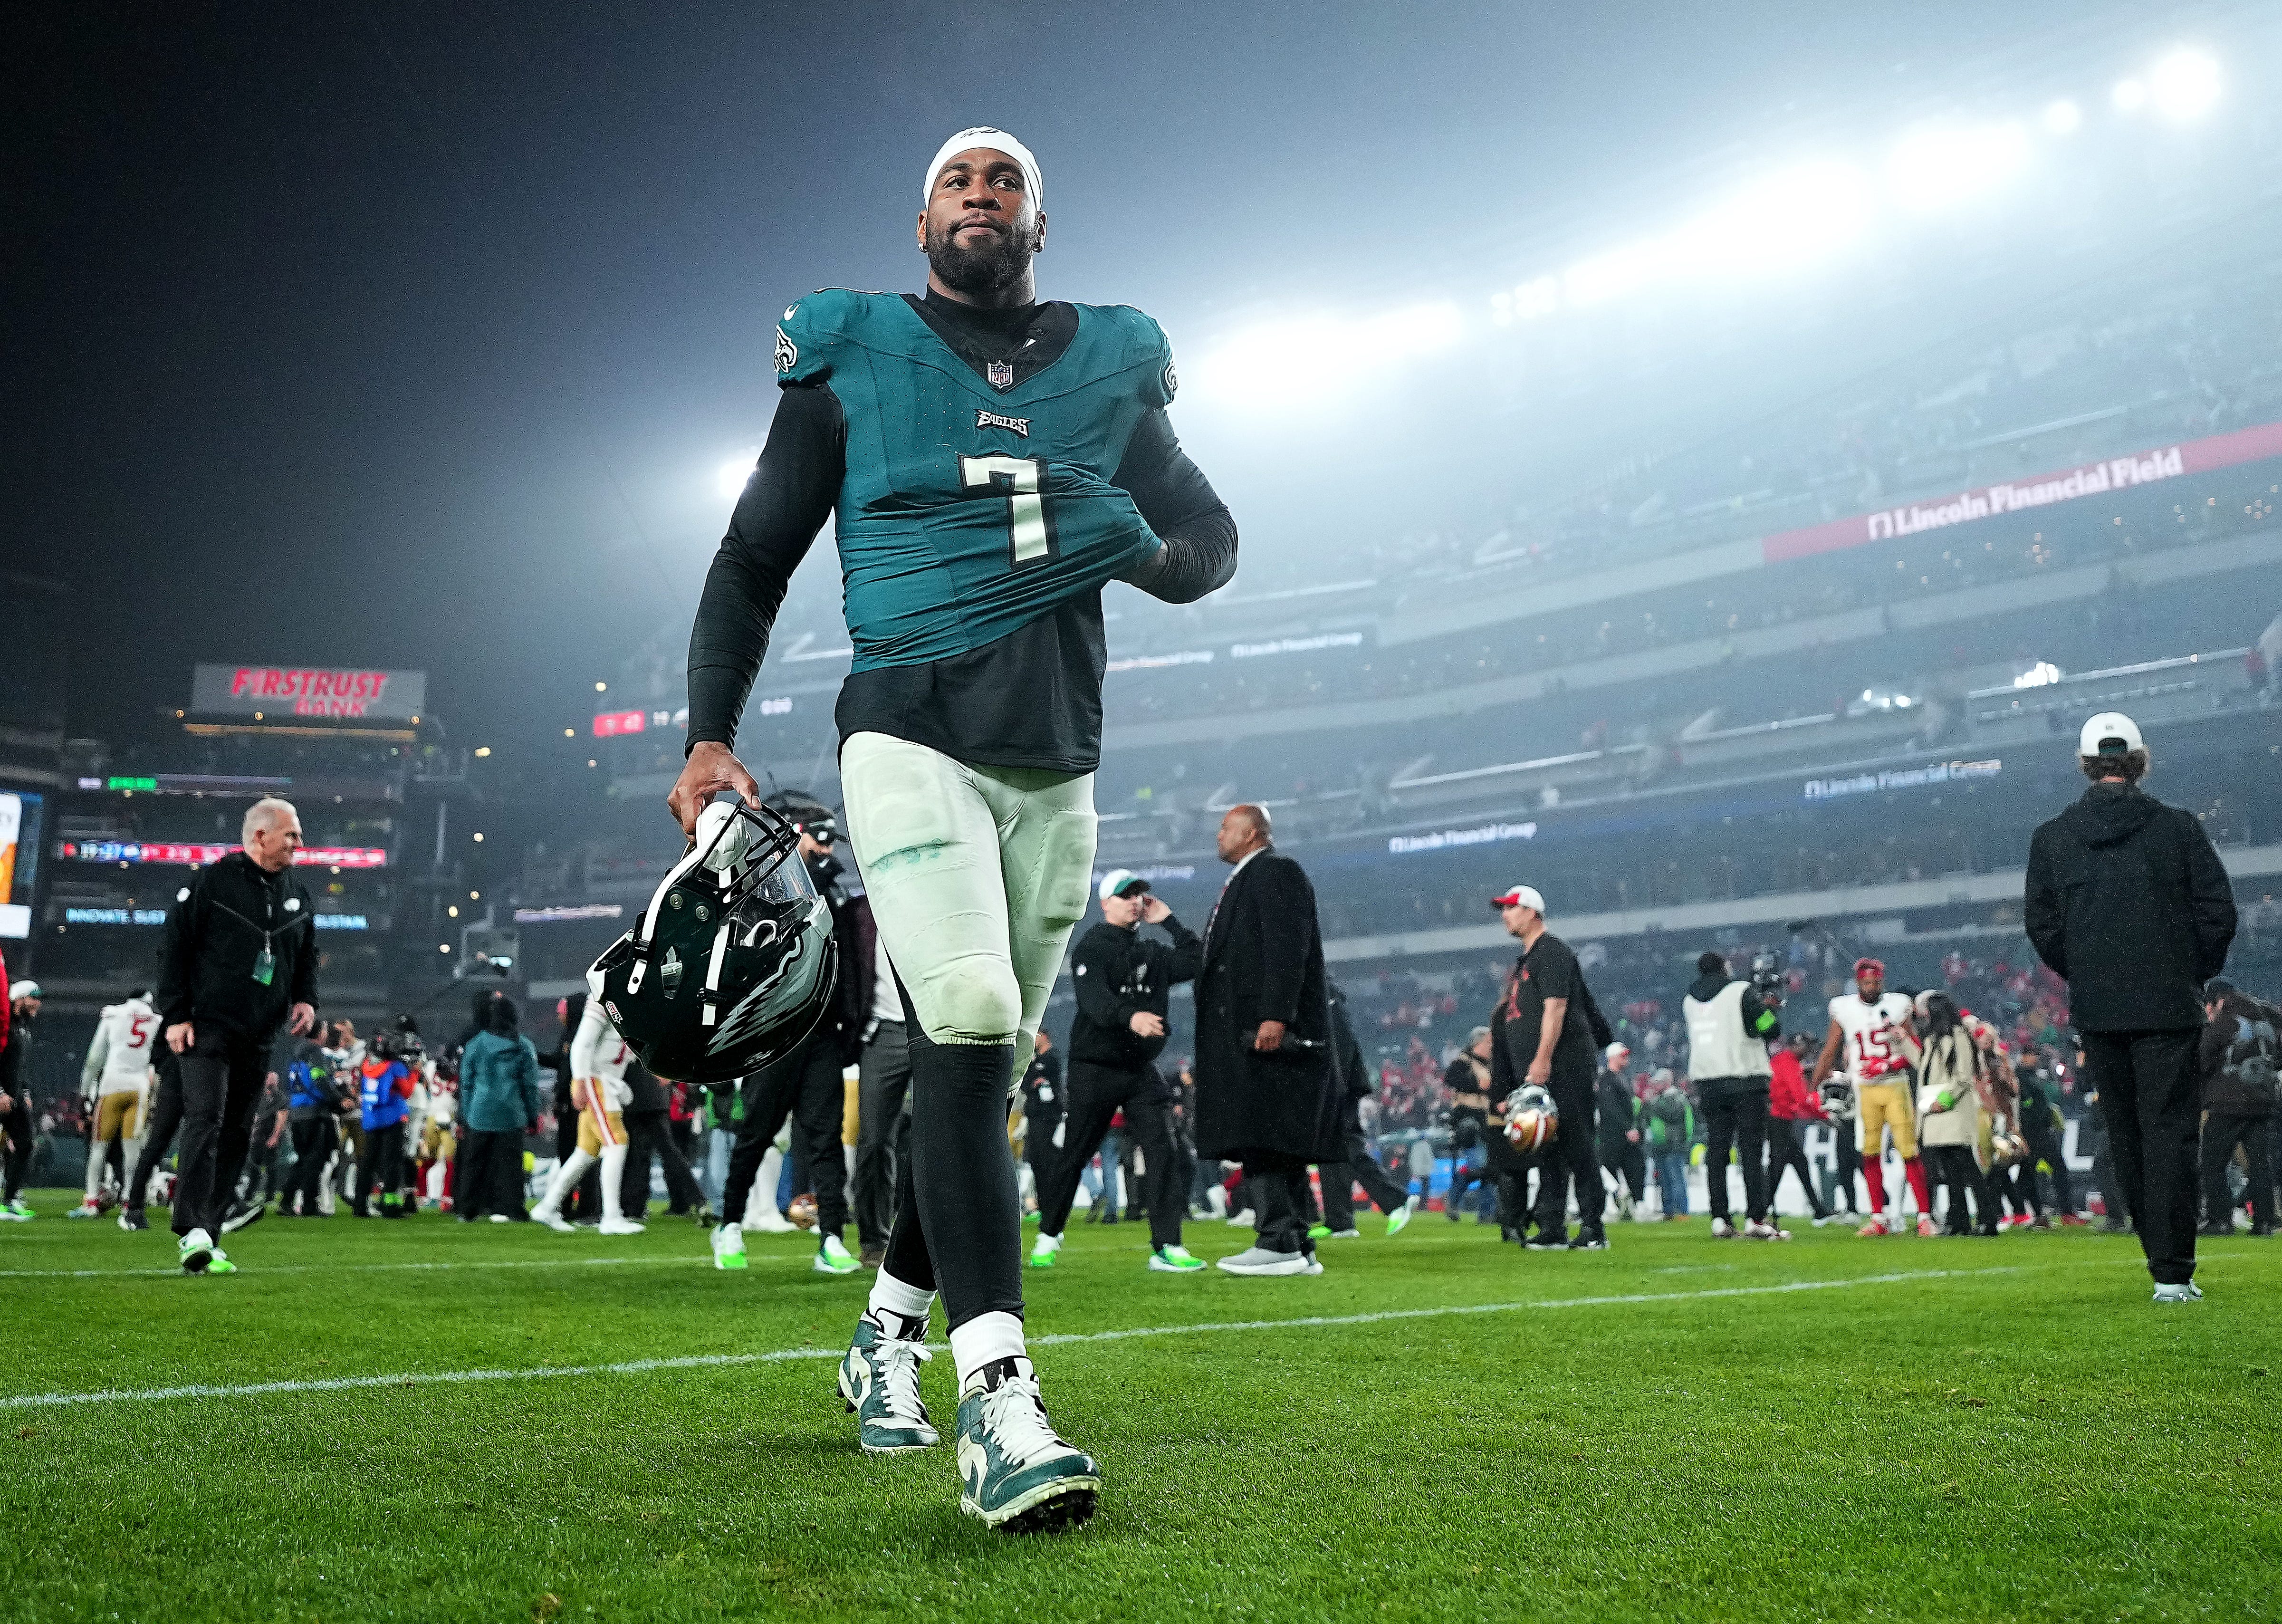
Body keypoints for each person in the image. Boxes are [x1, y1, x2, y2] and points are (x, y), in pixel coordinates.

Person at [666, 127, 1236, 1530]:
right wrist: (707, 728)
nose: (979, 196)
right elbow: (752, 552)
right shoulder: (853, 349)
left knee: (971, 1065)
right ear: (919, 219)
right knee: (971, 1021)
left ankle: (886, 1326)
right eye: (955, 182)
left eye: (1004, 182)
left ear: (1041, 221)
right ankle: (1000, 1401)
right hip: (905, 728)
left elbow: (1209, 537)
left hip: (1055, 754)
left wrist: (1144, 556)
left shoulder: (1109, 362)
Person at [2026, 712, 2237, 1301]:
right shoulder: (2176, 829)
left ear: (2086, 764)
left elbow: (2041, 926)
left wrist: (2089, 972)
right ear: (2138, 761)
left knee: (2126, 1138)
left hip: (2099, 1009)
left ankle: (2158, 1261)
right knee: (2169, 1134)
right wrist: (2182, 971)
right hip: (2167, 1006)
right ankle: (2172, 1273)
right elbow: (2217, 913)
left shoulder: (2052, 838)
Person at [157, 797, 319, 1274]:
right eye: (291, 834)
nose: (299, 843)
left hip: (260, 1030)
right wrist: (176, 1015)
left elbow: (308, 952)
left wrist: (307, 999)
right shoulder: (211, 883)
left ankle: (213, 1230)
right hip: (206, 1025)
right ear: (259, 836)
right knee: (205, 1117)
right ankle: (190, 1229)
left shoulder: (296, 891)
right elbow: (174, 949)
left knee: (237, 1132)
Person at [706, 795, 863, 1276]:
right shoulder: (765, 887)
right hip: (774, 1031)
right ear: (795, 835)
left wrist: (850, 1030)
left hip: (821, 1034)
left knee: (825, 1139)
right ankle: (729, 1223)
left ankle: (832, 1236)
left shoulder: (835, 891)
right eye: (821, 835)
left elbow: (851, 966)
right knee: (756, 1133)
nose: (828, 847)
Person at [1030, 870, 1206, 1272]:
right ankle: (1049, 1232)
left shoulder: (1150, 952)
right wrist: (1132, 1017)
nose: (1135, 900)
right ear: (1104, 903)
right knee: (1075, 1152)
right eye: (1125, 894)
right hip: (1095, 1067)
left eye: (1139, 894)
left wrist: (1170, 921)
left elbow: (1198, 960)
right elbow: (1095, 1003)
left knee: (1164, 1149)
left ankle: (1168, 1245)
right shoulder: (1091, 947)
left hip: (1139, 1067)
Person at [1192, 805, 1342, 1276]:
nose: (1218, 835)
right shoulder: (1245, 879)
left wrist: (1275, 1015)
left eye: (1225, 827)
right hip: (1244, 1030)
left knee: (1262, 1130)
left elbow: (1287, 946)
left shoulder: (1275, 871)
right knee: (1275, 1133)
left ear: (1252, 831)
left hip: (1260, 1030)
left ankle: (1277, 1238)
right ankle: (1296, 1242)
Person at [1487, 885, 1607, 1251]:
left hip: (1564, 1063)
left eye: (1511, 908)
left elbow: (1556, 1007)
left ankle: (1593, 1226)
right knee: (1549, 1147)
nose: (1505, 915)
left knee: (1578, 1141)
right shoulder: (1527, 960)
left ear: (1532, 911)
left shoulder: (1552, 951)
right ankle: (1553, 1225)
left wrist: (1542, 1060)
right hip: (1538, 1070)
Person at [1811, 958, 1930, 1238]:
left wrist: (1890, 1064)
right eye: (1866, 983)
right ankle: (1878, 1216)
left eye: (1876, 983)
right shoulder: (1844, 1009)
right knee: (1869, 1151)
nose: (1872, 987)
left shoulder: (1898, 1006)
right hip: (1864, 1088)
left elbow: (1916, 1052)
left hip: (1895, 1084)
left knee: (1909, 1150)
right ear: (1857, 982)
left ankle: (1924, 1215)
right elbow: (1831, 1049)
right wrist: (1814, 1086)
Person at [1683, 951, 1786, 1241]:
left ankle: (1720, 1217)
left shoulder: (1690, 1000)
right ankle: (1756, 1218)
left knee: (1717, 1150)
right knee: (1751, 1151)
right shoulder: (1740, 991)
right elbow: (1769, 1029)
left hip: (1708, 1082)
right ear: (1723, 967)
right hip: (1745, 1079)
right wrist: (1770, 1009)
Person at [529, 993, 647, 1237]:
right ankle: (611, 1217)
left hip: (607, 1080)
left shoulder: (634, 1004)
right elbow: (582, 1042)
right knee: (617, 1143)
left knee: (585, 1154)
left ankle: (548, 1207)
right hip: (597, 1080)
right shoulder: (606, 996)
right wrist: (581, 1080)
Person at [1316, 973, 1419, 1239]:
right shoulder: (1326, 997)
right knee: (1331, 1148)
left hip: (1337, 1084)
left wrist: (1337, 1086)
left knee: (1347, 1145)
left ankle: (1396, 1200)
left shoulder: (1323, 999)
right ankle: (1340, 1221)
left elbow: (1338, 1046)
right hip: (1336, 1082)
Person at [1911, 992, 2000, 1237]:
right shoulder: (1933, 1040)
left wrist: (1945, 1100)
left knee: (1967, 1166)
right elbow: (1924, 1069)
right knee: (1949, 1171)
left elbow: (1963, 1077)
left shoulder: (1959, 1038)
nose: (1923, 1017)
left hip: (1954, 1110)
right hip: (1935, 1110)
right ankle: (1959, 1220)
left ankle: (1987, 1219)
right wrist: (1901, 1041)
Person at [2196, 977, 2277, 1237]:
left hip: (2228, 1104)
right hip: (2263, 1102)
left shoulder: (2224, 1023)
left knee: (2212, 1161)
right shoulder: (2267, 1016)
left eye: (2209, 1006)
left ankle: (2220, 1220)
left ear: (2218, 1001)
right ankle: (2265, 1221)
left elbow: (2203, 1061)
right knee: (2260, 1163)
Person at [851, 934, 912, 1269]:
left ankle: (951, 1238)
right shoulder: (865, 911)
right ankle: (875, 1241)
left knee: (941, 1135)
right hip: (883, 1029)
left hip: (938, 1024)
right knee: (874, 1140)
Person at [454, 996, 542, 1221]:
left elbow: (466, 1083)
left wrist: (464, 1115)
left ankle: (468, 1210)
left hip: (479, 1113)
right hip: (512, 1114)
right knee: (511, 1167)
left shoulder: (476, 1044)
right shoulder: (523, 1046)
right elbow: (530, 1085)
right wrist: (533, 1115)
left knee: (474, 1165)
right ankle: (513, 1210)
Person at [72, 989, 158, 1218]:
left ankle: (91, 1201)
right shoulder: (157, 1021)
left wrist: (84, 1092)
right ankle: (129, 1201)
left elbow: (94, 1058)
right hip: (139, 1087)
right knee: (132, 1151)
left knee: (99, 1147)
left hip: (112, 1084)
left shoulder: (113, 1015)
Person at [1765, 1033, 1837, 1226]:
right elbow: (1800, 1096)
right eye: (1806, 1046)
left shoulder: (1781, 1060)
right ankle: (1761, 1210)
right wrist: (1823, 1115)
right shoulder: (1788, 1063)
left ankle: (1818, 1209)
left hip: (1779, 1117)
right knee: (1778, 1166)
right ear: (1797, 1045)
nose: (1809, 1051)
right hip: (1778, 1118)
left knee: (1797, 1162)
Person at [2006, 1047, 2080, 1228]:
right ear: (2024, 1056)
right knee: (2057, 1169)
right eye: (2034, 1056)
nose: (2037, 1059)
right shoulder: (2022, 1078)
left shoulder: (2032, 1076)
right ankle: (2064, 1213)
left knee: (2027, 1175)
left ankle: (2027, 1213)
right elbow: (2026, 1107)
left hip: (2037, 1132)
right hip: (2034, 1134)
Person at [275, 1028, 343, 1218]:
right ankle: (308, 1205)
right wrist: (338, 1101)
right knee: (315, 1160)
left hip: (297, 1114)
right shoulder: (315, 1054)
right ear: (320, 1034)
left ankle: (287, 1201)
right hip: (314, 1114)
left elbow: (288, 1086)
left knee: (303, 1159)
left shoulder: (296, 1056)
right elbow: (320, 1080)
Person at [354, 1032, 416, 1219]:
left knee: (368, 1163)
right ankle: (389, 1205)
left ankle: (360, 1205)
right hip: (392, 1119)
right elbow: (407, 1091)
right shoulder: (395, 1067)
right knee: (392, 1163)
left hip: (371, 1119)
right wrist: (414, 1073)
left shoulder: (366, 1065)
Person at [1444, 1026, 1497, 1223]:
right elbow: (1451, 1079)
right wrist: (1477, 1083)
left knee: (1490, 1169)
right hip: (1469, 1122)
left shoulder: (1492, 1065)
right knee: (1481, 1165)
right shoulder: (1463, 1062)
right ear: (1478, 1043)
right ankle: (1457, 1199)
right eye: (1489, 1042)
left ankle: (1486, 1213)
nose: (1492, 1046)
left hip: (1488, 1121)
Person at [0, 976, 41, 1220]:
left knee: (25, 1144)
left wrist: (24, 1092)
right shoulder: (5, 1026)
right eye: (33, 998)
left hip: (13, 1097)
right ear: (19, 1000)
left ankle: (9, 1201)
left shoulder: (23, 1029)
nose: (37, 1004)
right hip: (3, 1096)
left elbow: (19, 1067)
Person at [1595, 1042, 1648, 1223]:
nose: (1627, 1059)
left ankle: (1638, 1202)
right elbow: (1611, 1108)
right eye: (1623, 1056)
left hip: (1626, 1134)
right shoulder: (1606, 1080)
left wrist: (1635, 1128)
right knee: (1609, 1169)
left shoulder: (1623, 1078)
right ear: (1613, 1058)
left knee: (1636, 1167)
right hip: (1612, 1135)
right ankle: (1610, 1204)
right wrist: (1628, 1128)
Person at [1016, 1028, 1062, 1219]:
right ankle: (1041, 1204)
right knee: (1034, 1161)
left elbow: (1056, 1086)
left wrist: (1043, 1083)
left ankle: (1051, 1204)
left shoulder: (1052, 1059)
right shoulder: (1034, 1059)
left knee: (1048, 1161)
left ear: (1044, 1037)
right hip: (1034, 1118)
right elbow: (1026, 1084)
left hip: (1049, 1119)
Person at [1643, 1069, 1695, 1219]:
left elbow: (1673, 1115)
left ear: (1666, 1083)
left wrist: (1653, 1104)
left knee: (1676, 1178)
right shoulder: (1662, 1098)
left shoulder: (1676, 1097)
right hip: (1661, 1146)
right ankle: (1669, 1211)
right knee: (1665, 1180)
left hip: (1673, 1145)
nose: (1655, 1086)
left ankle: (1681, 1211)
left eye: (1658, 1083)